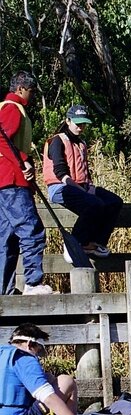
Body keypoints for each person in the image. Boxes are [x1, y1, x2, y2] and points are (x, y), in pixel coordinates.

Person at [43, 104, 123, 261]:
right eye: (77, 123)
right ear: (68, 121)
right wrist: (81, 190)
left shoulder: (81, 144)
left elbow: (85, 171)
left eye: (83, 124)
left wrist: (89, 187)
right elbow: (60, 172)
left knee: (114, 201)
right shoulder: (57, 141)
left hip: (81, 186)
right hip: (61, 187)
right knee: (94, 204)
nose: (80, 127)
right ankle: (74, 243)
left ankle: (94, 243)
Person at [0, 71, 52, 295]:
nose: (32, 96)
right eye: (31, 91)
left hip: (5, 183)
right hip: (12, 182)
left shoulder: (7, 107)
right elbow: (1, 139)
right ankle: (33, 282)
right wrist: (23, 162)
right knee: (32, 230)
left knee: (7, 239)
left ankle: (4, 291)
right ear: (21, 88)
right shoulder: (12, 108)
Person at [0, 323, 98, 415]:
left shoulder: (3, 355)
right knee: (67, 381)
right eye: (39, 351)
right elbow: (48, 397)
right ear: (30, 344)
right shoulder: (26, 359)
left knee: (51, 378)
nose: (38, 356)